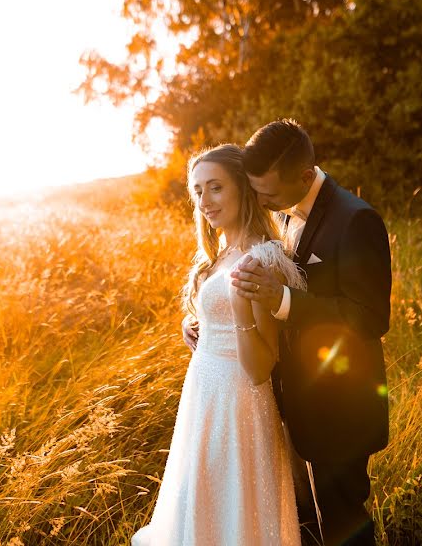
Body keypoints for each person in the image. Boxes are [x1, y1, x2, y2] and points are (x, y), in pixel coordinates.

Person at [227, 119, 393, 546]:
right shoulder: (287, 214)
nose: (261, 202)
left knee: (342, 523)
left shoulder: (356, 220)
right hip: (302, 399)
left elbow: (370, 318)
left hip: (340, 405)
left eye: (268, 193)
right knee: (314, 518)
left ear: (305, 175)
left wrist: (283, 301)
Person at [132, 144, 306, 546]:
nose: (205, 201)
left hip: (238, 402)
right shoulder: (221, 253)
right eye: (197, 191)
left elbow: (262, 366)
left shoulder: (260, 258)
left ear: (243, 190)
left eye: (215, 188)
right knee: (203, 505)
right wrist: (194, 326)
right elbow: (218, 315)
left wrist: (240, 311)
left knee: (233, 510)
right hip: (204, 396)